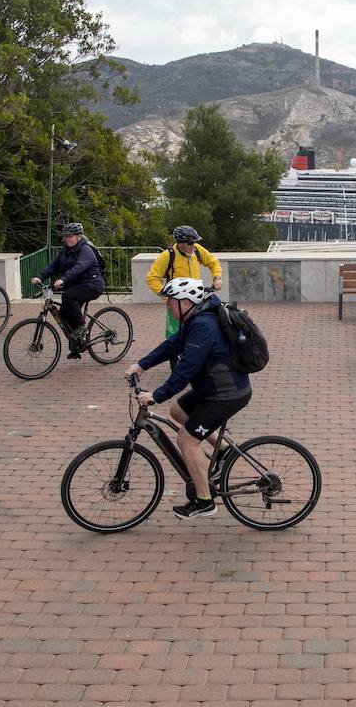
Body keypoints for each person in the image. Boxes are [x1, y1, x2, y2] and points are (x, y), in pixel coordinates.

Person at [126, 278, 251, 520]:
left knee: (187, 440)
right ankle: (223, 450)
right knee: (178, 412)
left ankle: (204, 501)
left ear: (186, 302)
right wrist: (141, 364)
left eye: (171, 301)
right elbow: (172, 345)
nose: (168, 305)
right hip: (214, 388)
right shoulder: (195, 318)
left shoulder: (203, 325)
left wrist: (155, 396)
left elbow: (184, 372)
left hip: (226, 394)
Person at [31, 222, 106, 360]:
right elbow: (54, 265)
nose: (67, 239)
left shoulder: (86, 249)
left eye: (70, 236)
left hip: (93, 284)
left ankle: (82, 327)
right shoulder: (65, 249)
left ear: (79, 236)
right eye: (65, 237)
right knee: (64, 314)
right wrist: (40, 277)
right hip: (77, 284)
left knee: (69, 296)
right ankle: (78, 345)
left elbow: (79, 267)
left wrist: (63, 279)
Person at [146, 226, 224, 340]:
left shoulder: (197, 250)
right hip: (177, 303)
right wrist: (166, 296)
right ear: (180, 243)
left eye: (194, 243)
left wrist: (217, 277)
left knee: (198, 332)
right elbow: (152, 278)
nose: (193, 245)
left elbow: (213, 262)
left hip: (196, 300)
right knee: (175, 336)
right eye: (190, 243)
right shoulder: (168, 256)